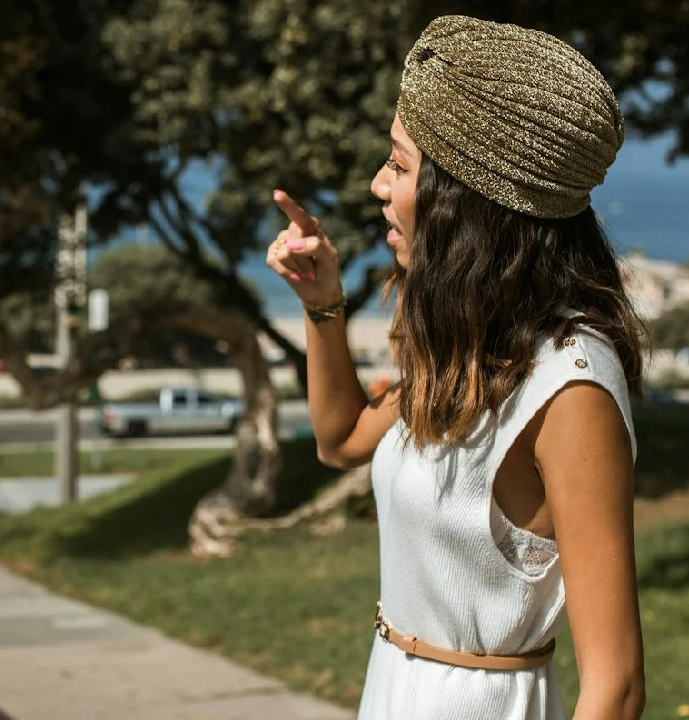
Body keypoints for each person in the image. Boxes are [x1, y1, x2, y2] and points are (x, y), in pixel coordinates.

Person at [267, 16, 647, 720]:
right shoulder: (476, 343)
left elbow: (616, 688)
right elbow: (341, 438)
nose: (378, 185)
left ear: (466, 197)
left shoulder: (571, 386)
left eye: (399, 164)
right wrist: (324, 306)